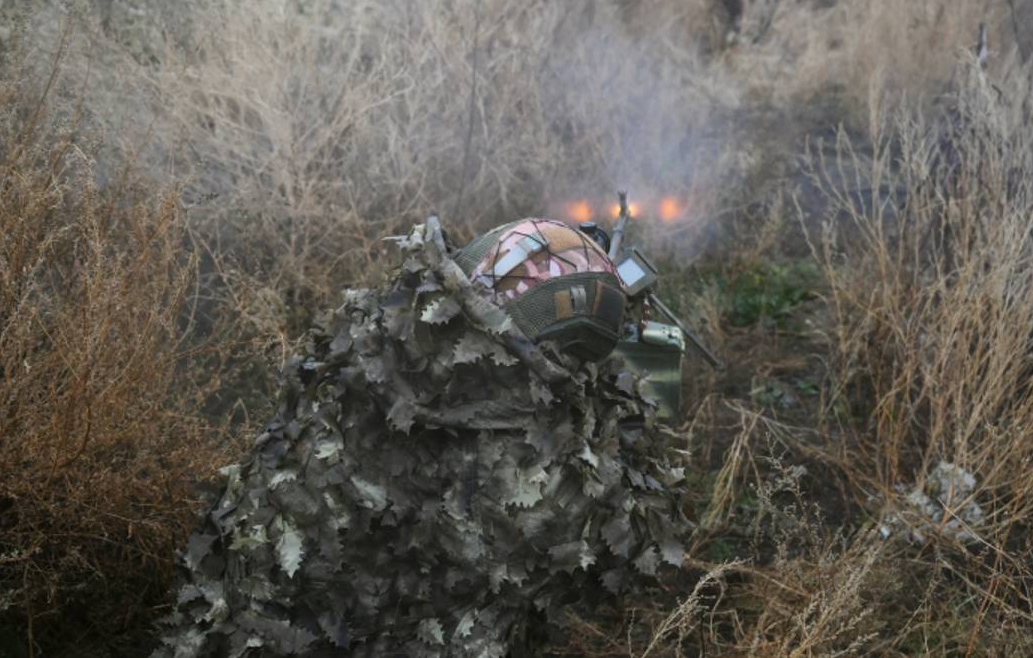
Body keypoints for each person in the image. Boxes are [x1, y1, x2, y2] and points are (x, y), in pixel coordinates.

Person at [156, 216, 688, 658]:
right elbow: (620, 545)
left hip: (236, 620)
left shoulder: (365, 341)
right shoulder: (529, 472)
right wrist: (604, 403)